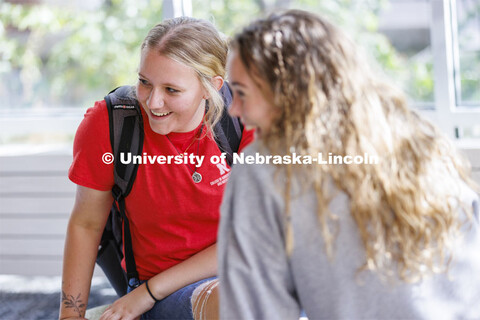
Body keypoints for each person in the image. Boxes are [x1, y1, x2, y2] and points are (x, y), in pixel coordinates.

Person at [218, 9, 480, 319]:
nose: (233, 109)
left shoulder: (264, 167)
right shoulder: (423, 143)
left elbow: (253, 311)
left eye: (241, 93)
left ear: (289, 91)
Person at [60, 17, 253, 320]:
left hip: (239, 272)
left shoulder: (248, 118)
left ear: (211, 86)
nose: (153, 101)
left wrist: (148, 294)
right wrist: (70, 316)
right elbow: (86, 224)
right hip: (168, 291)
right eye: (145, 82)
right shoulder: (110, 122)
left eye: (172, 90)